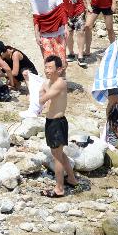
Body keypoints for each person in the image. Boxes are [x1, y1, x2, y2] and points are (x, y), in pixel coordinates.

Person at [39, 55, 78, 198]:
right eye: (46, 67)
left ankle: (59, 189)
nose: (47, 70)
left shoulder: (60, 83)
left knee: (57, 156)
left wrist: (38, 92)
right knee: (59, 154)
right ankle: (72, 179)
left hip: (57, 123)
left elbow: (42, 99)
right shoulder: (49, 82)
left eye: (50, 68)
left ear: (59, 69)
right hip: (51, 122)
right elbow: (43, 94)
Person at [51, 0, 88, 67]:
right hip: (64, 10)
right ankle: (71, 53)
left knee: (81, 31)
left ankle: (80, 55)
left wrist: (88, 4)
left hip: (78, 8)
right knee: (68, 33)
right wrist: (53, 9)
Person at [31, 0, 68, 71]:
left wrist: (66, 27)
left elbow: (62, 11)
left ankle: (62, 82)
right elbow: (36, 18)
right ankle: (52, 82)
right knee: (48, 62)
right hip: (45, 34)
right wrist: (37, 35)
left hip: (58, 32)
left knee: (61, 60)